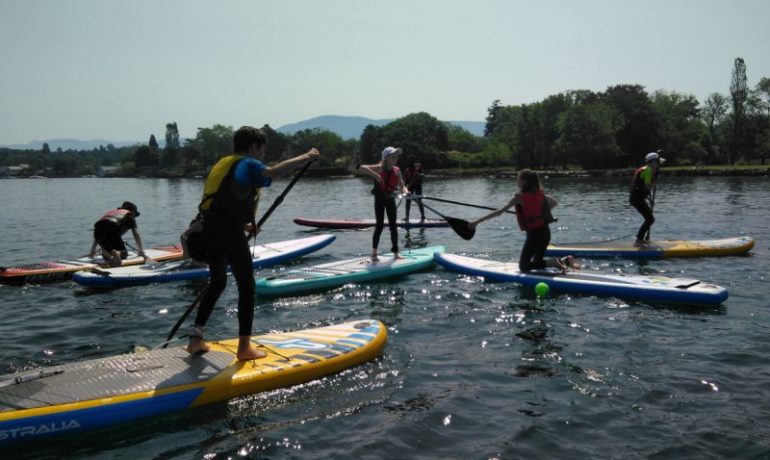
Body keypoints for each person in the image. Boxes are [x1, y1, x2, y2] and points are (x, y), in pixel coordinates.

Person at [187, 126, 320, 360]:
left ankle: (196, 339)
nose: (263, 155)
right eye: (262, 149)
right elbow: (273, 172)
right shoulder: (248, 163)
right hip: (228, 231)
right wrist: (306, 157)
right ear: (253, 147)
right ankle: (245, 348)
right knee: (247, 286)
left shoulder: (224, 163)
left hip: (210, 229)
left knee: (217, 282)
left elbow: (223, 202)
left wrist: (246, 225)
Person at [467, 169, 579, 273]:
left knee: (524, 266)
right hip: (545, 233)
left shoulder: (519, 198)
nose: (516, 181)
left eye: (518, 178)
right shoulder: (539, 194)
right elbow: (554, 202)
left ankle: (554, 262)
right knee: (537, 262)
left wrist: (476, 222)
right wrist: (539, 214)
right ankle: (565, 260)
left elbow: (499, 212)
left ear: (524, 181)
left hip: (534, 235)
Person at [359, 146, 409, 262]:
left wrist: (406, 192)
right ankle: (374, 253)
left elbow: (402, 186)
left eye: (397, 156)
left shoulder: (397, 170)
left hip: (390, 199)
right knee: (380, 225)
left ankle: (396, 253)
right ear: (386, 158)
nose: (396, 158)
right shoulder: (379, 168)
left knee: (393, 226)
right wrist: (376, 175)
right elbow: (362, 168)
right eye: (393, 156)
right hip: (380, 200)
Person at [88, 201, 147, 266]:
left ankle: (108, 253)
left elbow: (100, 231)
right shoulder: (129, 214)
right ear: (133, 211)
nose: (134, 217)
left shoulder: (113, 213)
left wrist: (92, 250)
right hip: (111, 229)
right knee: (124, 254)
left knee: (108, 251)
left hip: (97, 232)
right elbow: (135, 234)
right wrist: (141, 251)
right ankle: (117, 253)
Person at [630, 151, 665, 247]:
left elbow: (644, 189)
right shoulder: (647, 171)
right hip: (637, 199)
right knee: (650, 219)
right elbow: (648, 187)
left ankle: (641, 239)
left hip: (638, 198)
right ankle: (638, 241)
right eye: (657, 162)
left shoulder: (646, 169)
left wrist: (650, 200)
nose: (658, 165)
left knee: (649, 219)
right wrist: (655, 182)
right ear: (652, 162)